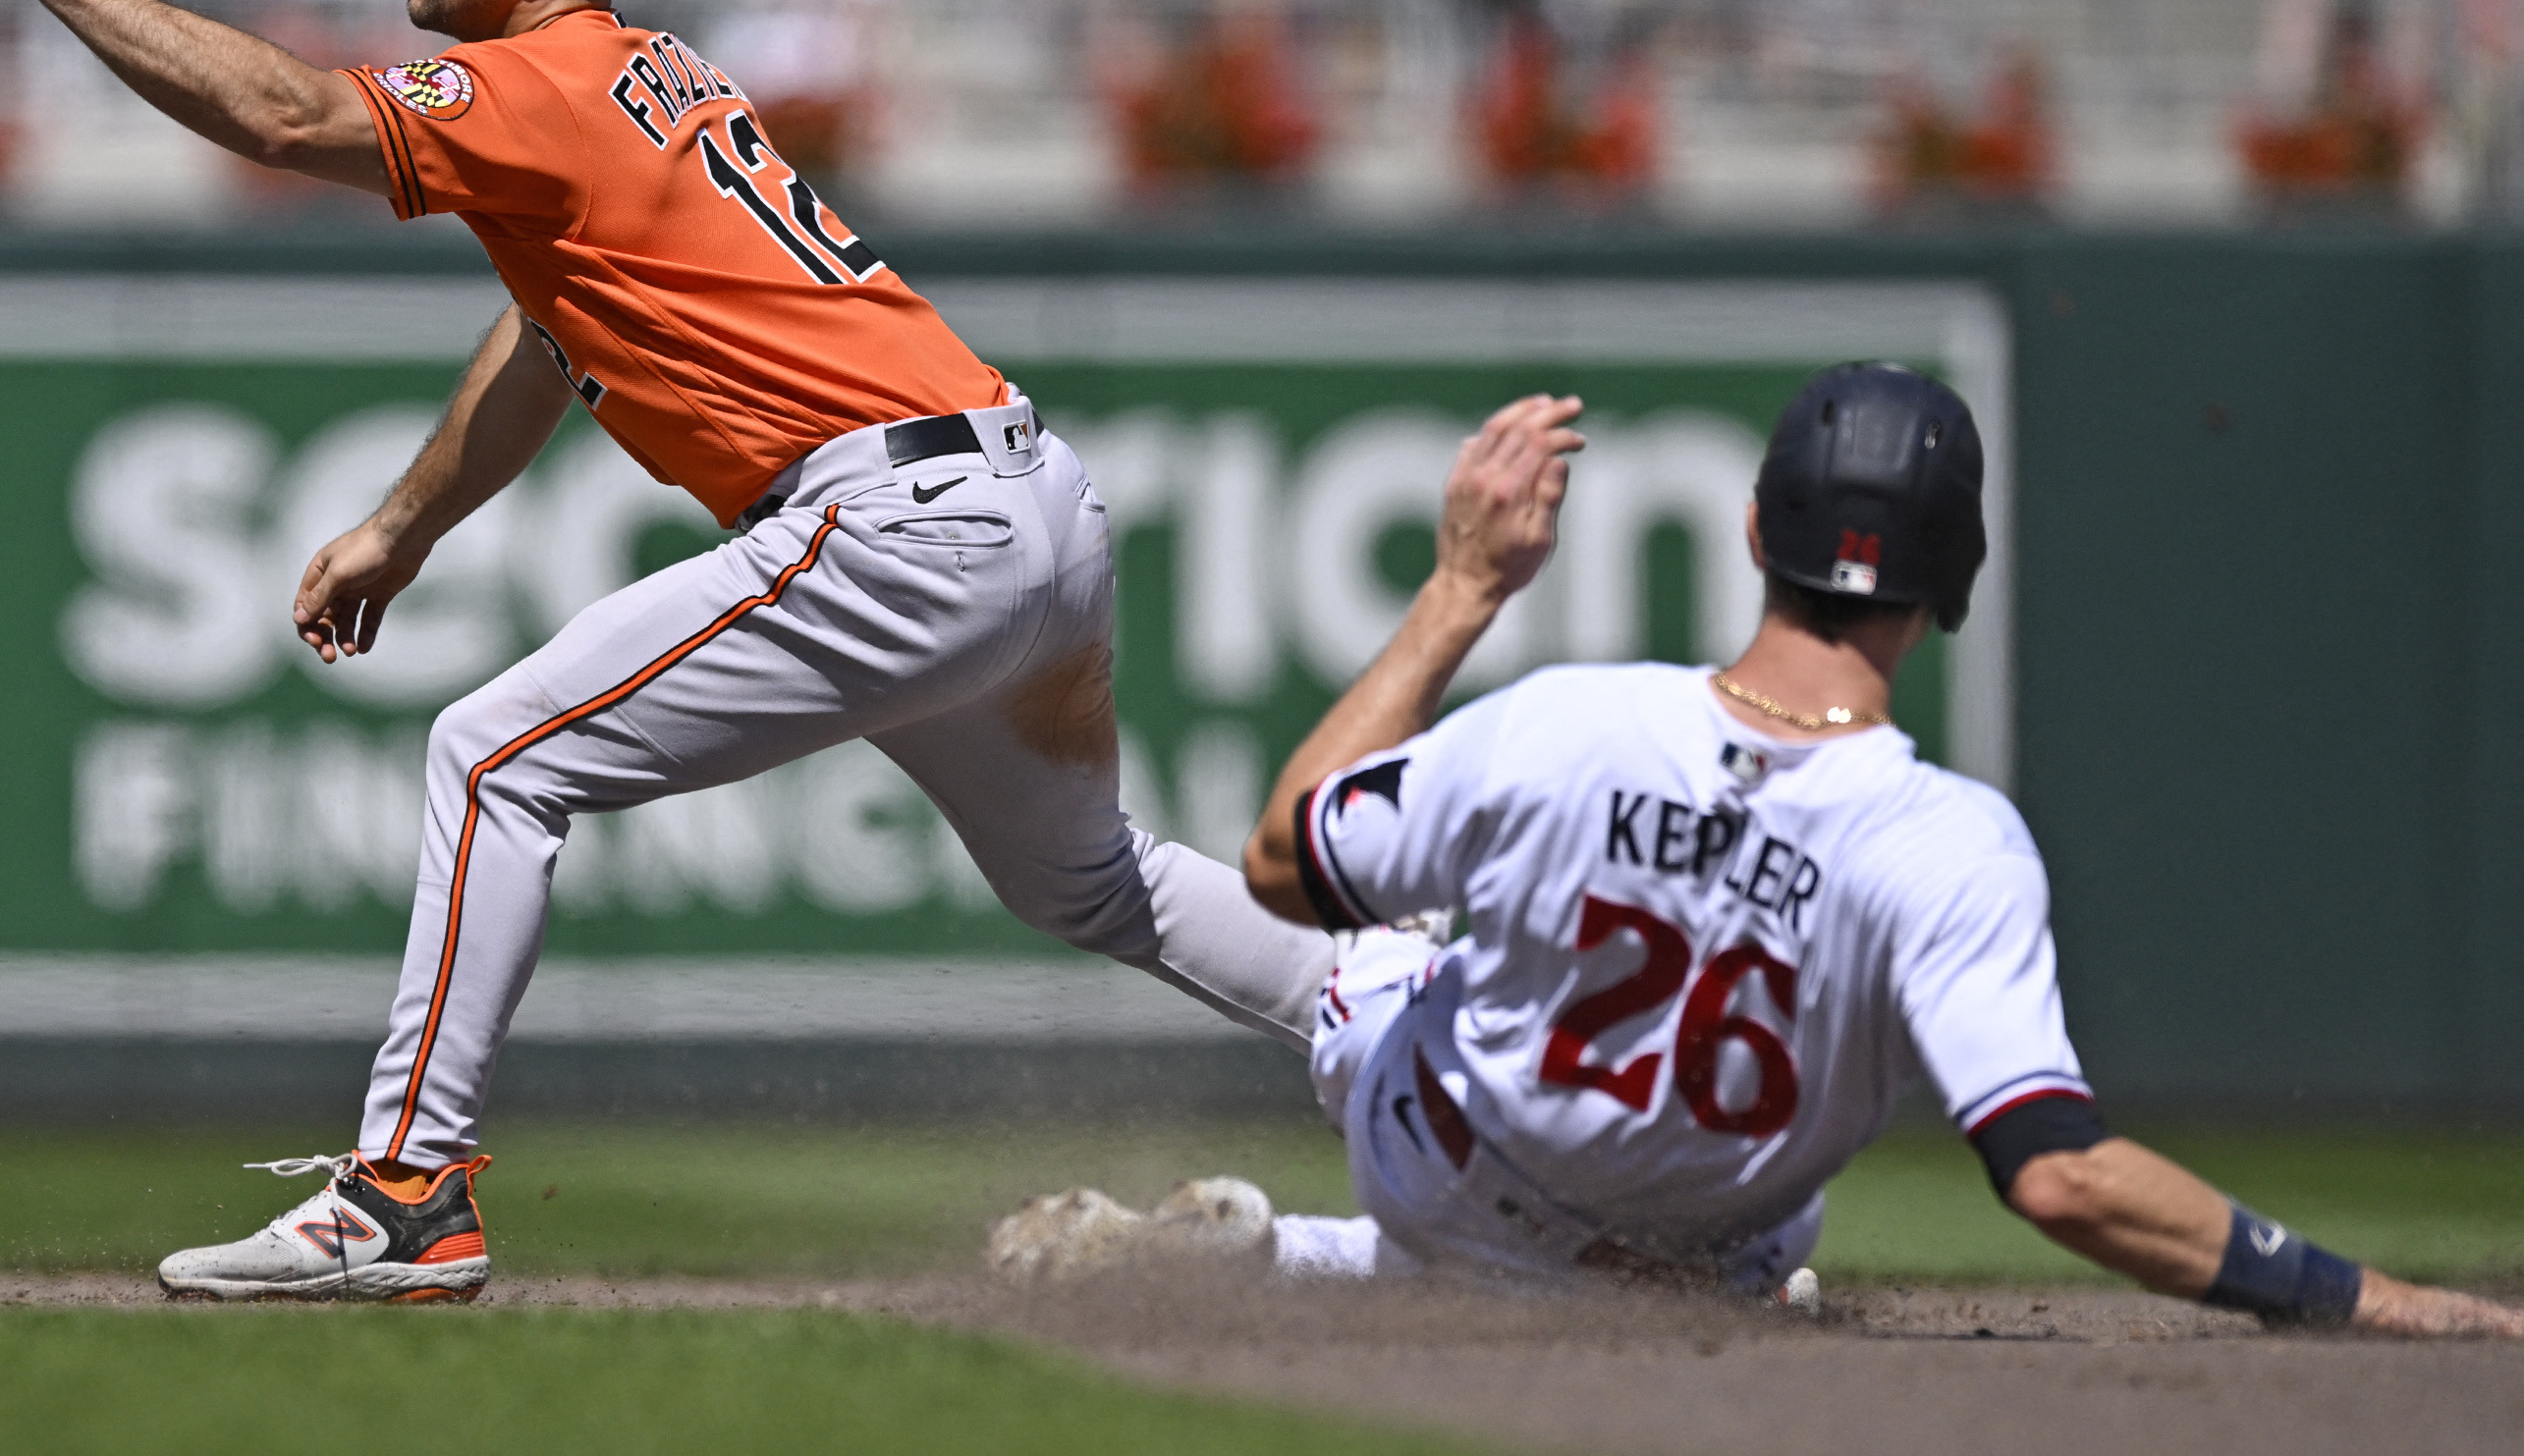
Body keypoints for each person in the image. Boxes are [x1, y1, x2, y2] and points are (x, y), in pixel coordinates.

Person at [0, 0, 1330, 1298]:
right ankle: (1438, 1039)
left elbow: (278, 114)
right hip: (1025, 500)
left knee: (492, 754)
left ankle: (403, 1194)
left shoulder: (538, 83)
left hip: (898, 522)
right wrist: (408, 525)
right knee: (1087, 882)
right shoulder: (639, 72)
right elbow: (544, 335)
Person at [991, 365, 2524, 1338]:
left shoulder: (1571, 722)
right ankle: (1317, 1263)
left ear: (1748, 531)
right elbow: (2059, 1180)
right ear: (1957, 578)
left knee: (1385, 962)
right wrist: (2366, 1296)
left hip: (1443, 1171)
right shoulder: (1948, 842)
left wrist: (1461, 590)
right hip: (1692, 1261)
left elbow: (1280, 857)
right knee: (1749, 1236)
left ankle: (1267, 1263)